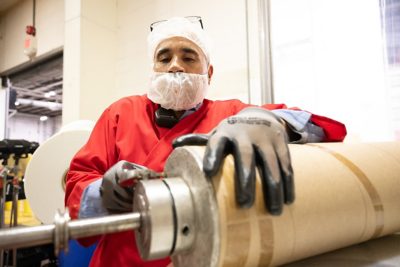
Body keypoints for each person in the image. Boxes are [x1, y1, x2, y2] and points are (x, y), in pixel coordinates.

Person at [65, 16, 346, 267]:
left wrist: (272, 122)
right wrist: (101, 191)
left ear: (208, 72)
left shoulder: (230, 113)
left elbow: (319, 127)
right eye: (164, 58)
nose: (175, 66)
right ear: (153, 70)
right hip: (122, 259)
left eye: (188, 57)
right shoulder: (120, 113)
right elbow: (77, 179)